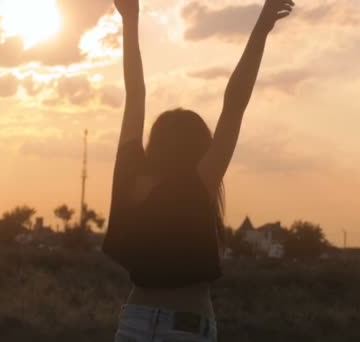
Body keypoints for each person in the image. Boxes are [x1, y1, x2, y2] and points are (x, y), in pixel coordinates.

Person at [103, 0, 295, 341]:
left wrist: (130, 19)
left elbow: (135, 94)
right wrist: (261, 28)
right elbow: (234, 104)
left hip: (132, 323)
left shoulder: (131, 180)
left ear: (156, 141)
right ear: (199, 147)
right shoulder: (199, 183)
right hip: (186, 327)